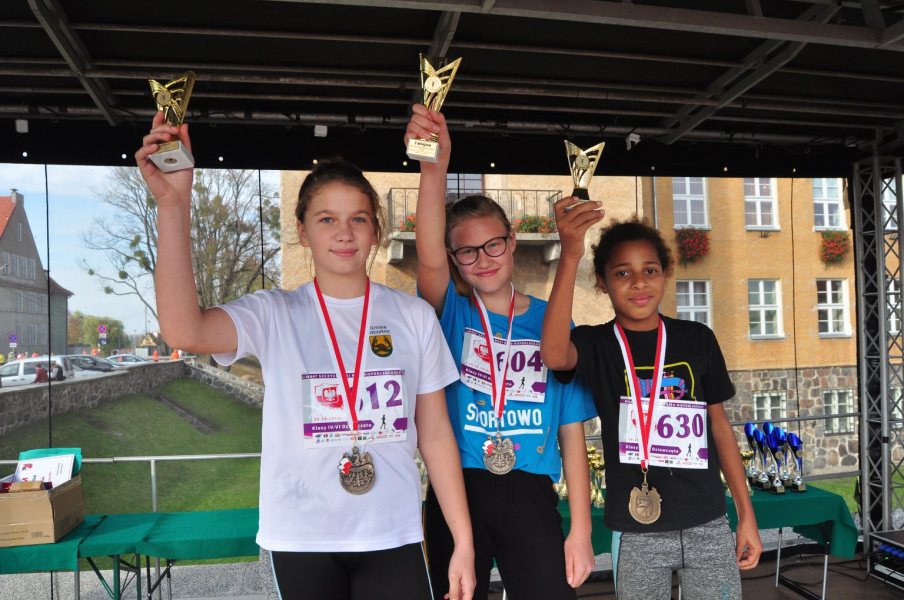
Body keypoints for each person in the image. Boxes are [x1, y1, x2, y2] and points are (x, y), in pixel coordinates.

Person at [136, 111, 475, 600]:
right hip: (300, 539)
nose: (344, 232)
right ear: (302, 230)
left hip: (392, 535)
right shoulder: (274, 313)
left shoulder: (413, 317)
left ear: (375, 231)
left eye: (358, 219)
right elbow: (184, 330)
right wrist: (173, 204)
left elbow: (437, 434)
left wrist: (462, 540)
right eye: (327, 219)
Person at [406, 105, 597, 600]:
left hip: (530, 488)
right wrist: (434, 169)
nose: (482, 259)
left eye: (493, 245)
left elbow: (571, 430)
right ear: (454, 259)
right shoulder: (449, 313)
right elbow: (428, 256)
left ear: (512, 242)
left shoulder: (551, 321)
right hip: (458, 489)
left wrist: (580, 528)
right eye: (466, 251)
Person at [540, 209, 763, 599]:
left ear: (665, 274)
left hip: (707, 521)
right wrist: (570, 254)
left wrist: (747, 515)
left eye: (650, 270)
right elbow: (555, 355)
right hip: (637, 528)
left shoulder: (697, 339)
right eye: (622, 273)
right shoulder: (597, 344)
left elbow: (719, 428)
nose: (638, 282)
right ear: (602, 282)